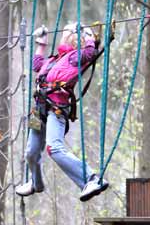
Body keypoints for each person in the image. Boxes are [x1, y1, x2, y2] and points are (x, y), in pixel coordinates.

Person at [15, 23, 109, 202]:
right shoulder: (56, 58)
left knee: (54, 148)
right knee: (30, 152)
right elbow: (37, 65)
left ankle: (91, 179)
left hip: (55, 108)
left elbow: (91, 53)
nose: (62, 34)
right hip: (38, 109)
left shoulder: (75, 57)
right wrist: (42, 43)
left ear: (74, 37)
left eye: (66, 31)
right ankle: (36, 183)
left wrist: (88, 36)